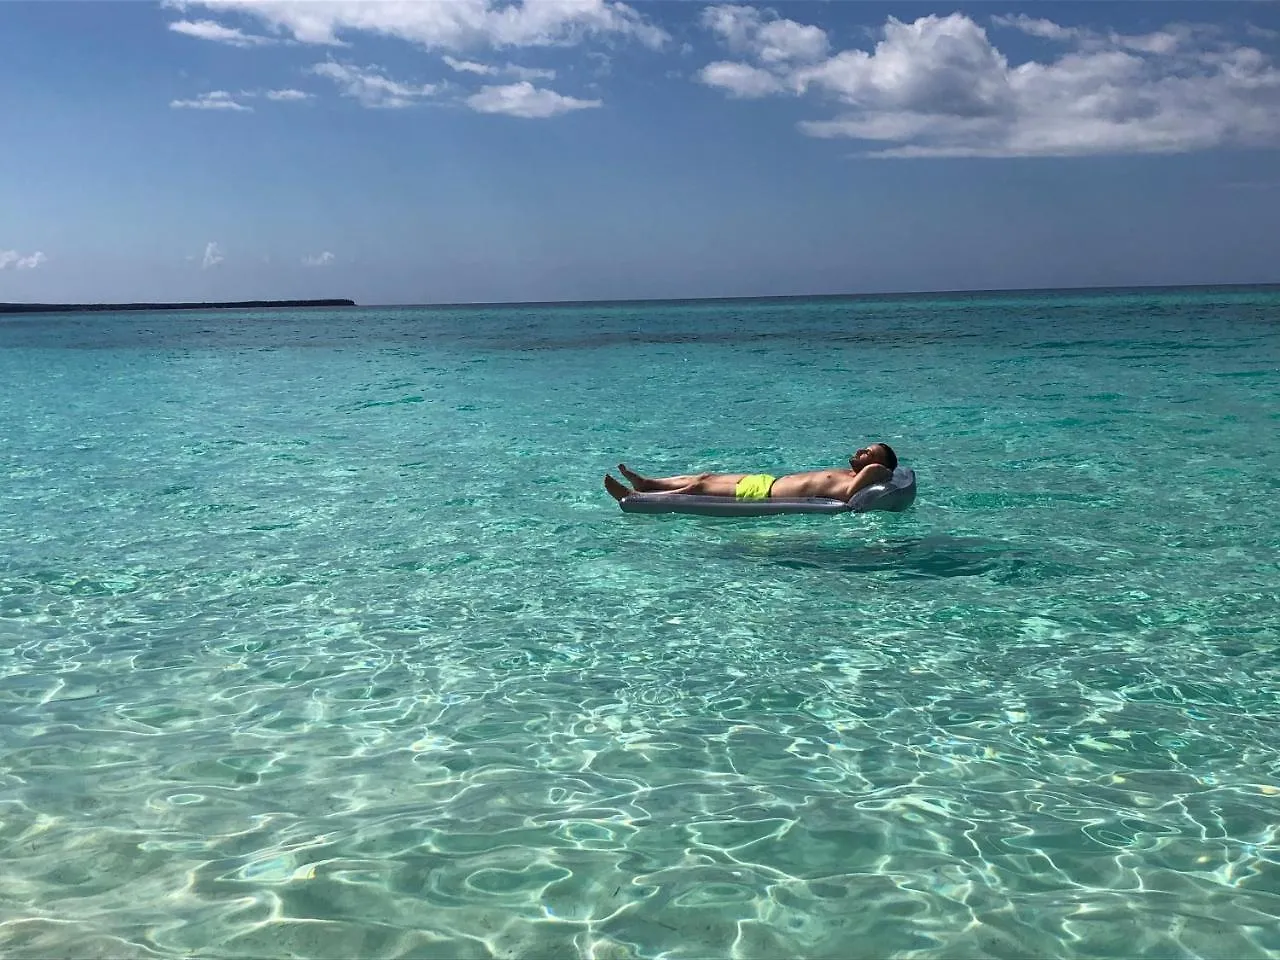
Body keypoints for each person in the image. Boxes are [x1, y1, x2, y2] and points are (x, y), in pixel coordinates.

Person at [604, 443, 899, 503]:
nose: (862, 451)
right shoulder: (845, 471)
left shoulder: (863, 477)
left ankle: (637, 497)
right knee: (704, 477)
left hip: (765, 494)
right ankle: (648, 482)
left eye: (869, 453)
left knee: (698, 491)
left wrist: (878, 465)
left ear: (878, 465)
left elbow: (852, 494)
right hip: (766, 481)